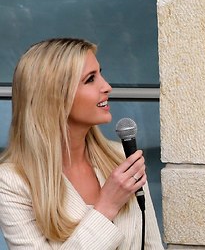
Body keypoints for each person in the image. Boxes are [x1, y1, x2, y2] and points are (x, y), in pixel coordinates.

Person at [0, 38, 163, 249]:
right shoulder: (12, 182)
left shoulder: (120, 158)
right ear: (54, 96)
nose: (107, 87)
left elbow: (150, 244)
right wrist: (106, 206)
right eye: (90, 79)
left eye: (100, 74)